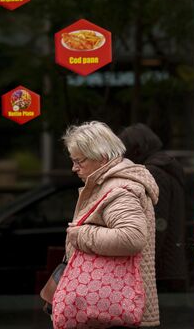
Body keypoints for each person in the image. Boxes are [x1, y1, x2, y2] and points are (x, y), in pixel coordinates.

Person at [62, 121, 160, 327]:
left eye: (79, 161)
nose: (74, 168)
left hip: (115, 307)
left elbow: (131, 237)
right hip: (114, 303)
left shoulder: (119, 189)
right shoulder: (109, 183)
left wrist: (80, 234)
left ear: (102, 158)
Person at [120, 123, 188, 291]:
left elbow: (156, 224)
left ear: (136, 150)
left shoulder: (154, 173)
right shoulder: (165, 168)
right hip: (171, 267)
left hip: (161, 270)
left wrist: (144, 267)